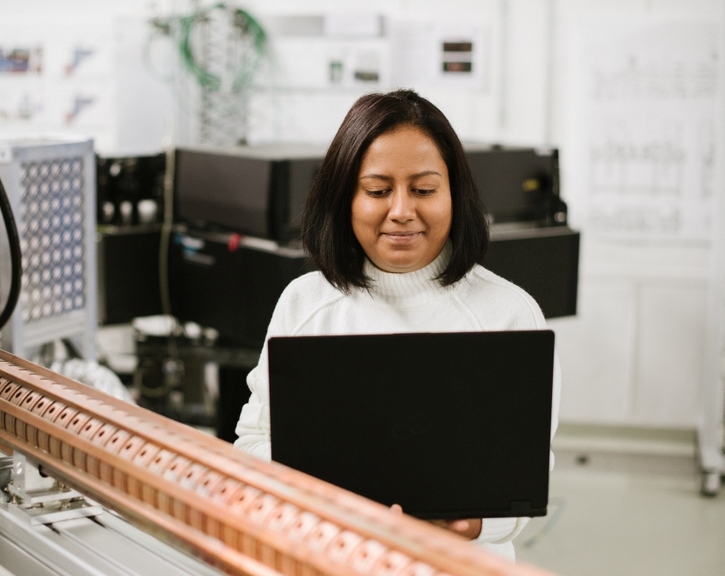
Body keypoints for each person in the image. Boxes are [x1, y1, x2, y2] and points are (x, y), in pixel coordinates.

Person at [233, 88, 561, 562]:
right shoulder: (304, 304)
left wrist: (470, 525)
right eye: (378, 191)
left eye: (424, 190)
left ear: (455, 195)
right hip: (330, 556)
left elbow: (529, 475)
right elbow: (254, 442)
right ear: (344, 198)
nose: (402, 211)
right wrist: (326, 505)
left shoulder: (509, 313)